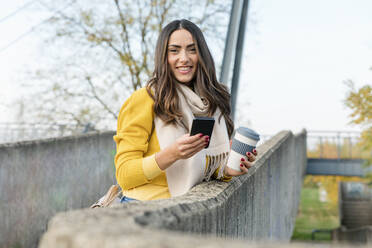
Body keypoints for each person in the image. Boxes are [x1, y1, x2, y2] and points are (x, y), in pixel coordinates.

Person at [114, 19, 257, 202]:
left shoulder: (211, 104)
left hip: (189, 207)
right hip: (144, 208)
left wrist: (228, 169)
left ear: (202, 55)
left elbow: (205, 170)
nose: (184, 58)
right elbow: (124, 176)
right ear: (163, 57)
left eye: (192, 49)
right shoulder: (145, 98)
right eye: (174, 50)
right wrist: (172, 153)